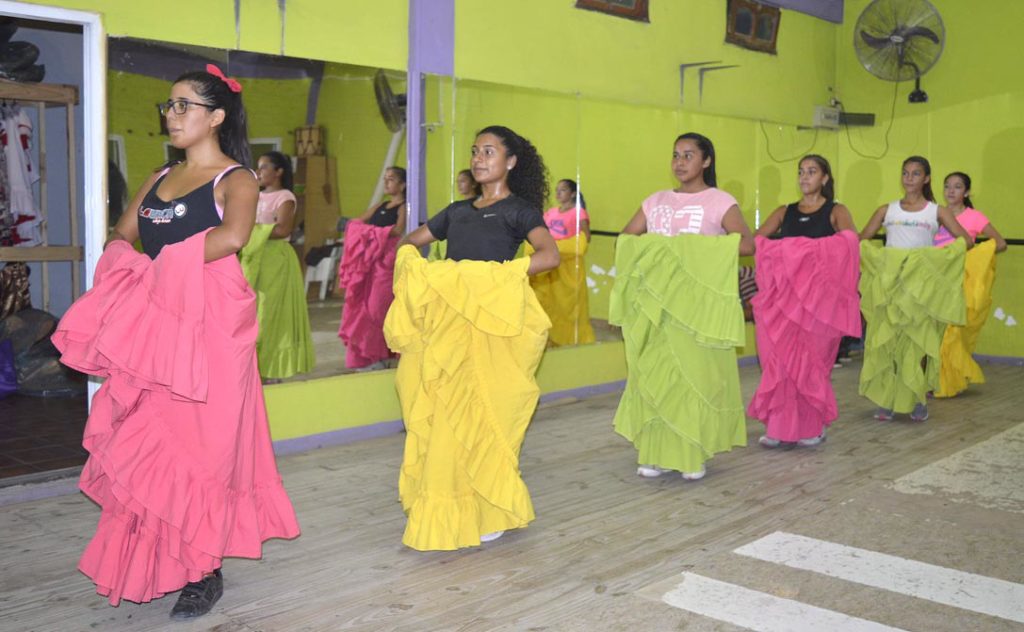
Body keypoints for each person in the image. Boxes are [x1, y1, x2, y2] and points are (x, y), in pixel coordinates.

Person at [51, 65, 299, 619]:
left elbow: (233, 237)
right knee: (153, 444)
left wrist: (163, 263)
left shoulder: (237, 178)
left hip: (211, 330)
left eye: (185, 105)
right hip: (157, 332)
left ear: (217, 116)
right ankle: (156, 559)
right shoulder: (159, 176)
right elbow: (123, 235)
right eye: (169, 105)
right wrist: (134, 267)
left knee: (204, 452)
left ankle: (204, 571)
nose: (172, 114)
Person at [386, 125, 559, 551]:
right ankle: (448, 504)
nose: (479, 159)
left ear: (511, 162)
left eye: (489, 152)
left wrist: (496, 276)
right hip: (446, 329)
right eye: (475, 151)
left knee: (483, 417)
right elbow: (409, 243)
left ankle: (488, 509)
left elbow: (549, 255)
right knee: (443, 419)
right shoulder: (456, 211)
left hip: (489, 331)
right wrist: (423, 271)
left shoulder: (519, 211)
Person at [613, 132, 752, 481]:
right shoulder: (655, 200)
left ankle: (692, 453)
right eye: (675, 155)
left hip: (695, 310)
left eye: (688, 155)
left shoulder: (720, 201)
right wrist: (660, 250)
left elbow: (746, 244)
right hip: (656, 306)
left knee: (693, 379)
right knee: (655, 378)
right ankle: (656, 453)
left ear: (706, 161)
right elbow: (627, 239)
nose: (679, 162)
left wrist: (690, 248)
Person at [748, 155, 861, 448]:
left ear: (824, 178)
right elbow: (756, 242)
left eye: (811, 171)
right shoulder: (784, 212)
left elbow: (850, 241)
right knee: (780, 363)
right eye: (801, 172)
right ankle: (779, 426)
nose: (804, 177)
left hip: (818, 306)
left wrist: (801, 250)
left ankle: (813, 425)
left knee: (812, 364)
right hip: (783, 302)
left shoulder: (836, 210)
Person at [858, 156, 972, 422]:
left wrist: (932, 259)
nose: (909, 178)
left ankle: (918, 399)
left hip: (919, 292)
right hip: (891, 288)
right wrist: (882, 260)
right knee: (888, 343)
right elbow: (861, 240)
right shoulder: (886, 210)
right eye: (905, 173)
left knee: (917, 345)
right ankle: (887, 400)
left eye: (916, 173)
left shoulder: (936, 211)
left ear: (926, 178)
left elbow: (965, 241)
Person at [239, 150, 315, 380]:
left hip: (275, 260)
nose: (259, 171)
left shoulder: (285, 197)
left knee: (269, 312)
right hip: (254, 256)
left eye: (264, 167)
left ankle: (271, 367)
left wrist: (249, 229)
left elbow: (283, 229)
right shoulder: (257, 196)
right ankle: (252, 367)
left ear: (279, 171)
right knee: (252, 311)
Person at [933, 171, 1004, 397]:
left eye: (957, 186)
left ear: (966, 192)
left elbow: (1000, 243)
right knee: (934, 332)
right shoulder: (936, 213)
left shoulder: (975, 217)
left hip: (959, 282)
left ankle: (947, 382)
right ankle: (936, 378)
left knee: (951, 332)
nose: (951, 191)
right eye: (947, 186)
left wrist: (972, 258)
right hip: (935, 280)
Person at [337, 166, 406, 370]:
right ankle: (368, 356)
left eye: (391, 179)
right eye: (385, 178)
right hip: (369, 261)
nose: (386, 182)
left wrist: (371, 232)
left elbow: (398, 230)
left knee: (378, 308)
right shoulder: (381, 205)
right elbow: (356, 222)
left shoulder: (404, 207)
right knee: (362, 307)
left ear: (402, 184)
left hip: (386, 262)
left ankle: (383, 353)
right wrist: (368, 232)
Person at [528, 178, 595, 346]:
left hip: (568, 267)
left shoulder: (578, 213)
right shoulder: (550, 212)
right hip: (548, 266)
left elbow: (585, 238)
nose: (558, 193)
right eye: (557, 190)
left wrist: (558, 247)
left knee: (569, 306)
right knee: (549, 303)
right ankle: (549, 338)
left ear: (573, 194)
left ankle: (571, 341)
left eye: (563, 190)